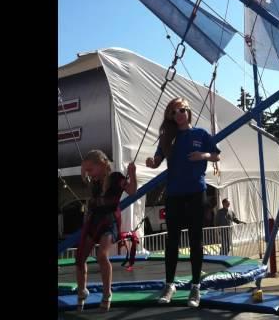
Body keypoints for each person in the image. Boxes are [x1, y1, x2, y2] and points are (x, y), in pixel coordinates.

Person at [146, 97, 220, 308]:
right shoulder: (168, 137)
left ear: (188, 112)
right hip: (174, 194)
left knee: (196, 241)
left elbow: (216, 156)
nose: (178, 114)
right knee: (172, 241)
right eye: (173, 112)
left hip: (196, 193)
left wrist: (203, 155)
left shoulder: (201, 134)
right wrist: (151, 163)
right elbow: (157, 160)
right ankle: (169, 284)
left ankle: (195, 286)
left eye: (181, 110)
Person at [75, 150, 137, 311]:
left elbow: (132, 191)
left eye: (90, 169)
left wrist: (132, 173)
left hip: (109, 222)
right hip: (94, 222)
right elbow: (86, 177)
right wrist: (84, 169)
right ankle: (82, 291)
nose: (88, 174)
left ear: (102, 165)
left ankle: (107, 292)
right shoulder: (94, 181)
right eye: (87, 171)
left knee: (102, 255)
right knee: (80, 258)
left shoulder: (116, 178)